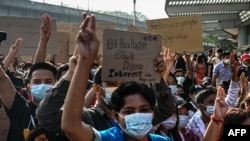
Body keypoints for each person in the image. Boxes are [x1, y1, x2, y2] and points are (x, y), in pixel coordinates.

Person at [61, 13, 171, 141]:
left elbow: (167, 108)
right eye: (129, 112)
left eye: (144, 109)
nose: (138, 116)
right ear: (115, 115)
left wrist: (158, 76)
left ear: (152, 112)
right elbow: (70, 127)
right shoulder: (107, 138)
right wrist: (84, 63)